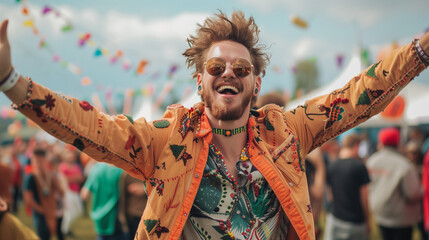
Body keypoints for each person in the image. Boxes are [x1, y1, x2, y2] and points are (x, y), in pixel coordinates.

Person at [1, 10, 429, 240]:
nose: (229, 73)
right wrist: (10, 81)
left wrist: (419, 52)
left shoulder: (287, 131)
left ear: (256, 82)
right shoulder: (165, 141)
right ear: (200, 79)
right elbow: (88, 126)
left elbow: (356, 97)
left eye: (241, 69)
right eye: (216, 66)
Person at [367, 127, 422, 240]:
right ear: (398, 142)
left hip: (380, 214)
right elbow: (413, 194)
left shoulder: (372, 161)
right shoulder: (404, 165)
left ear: (381, 142)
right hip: (401, 219)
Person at [324, 134, 371, 240]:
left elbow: (330, 196)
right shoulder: (359, 166)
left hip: (335, 218)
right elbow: (364, 198)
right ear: (356, 146)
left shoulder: (332, 165)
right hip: (356, 222)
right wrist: (368, 221)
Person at [23, 146, 64, 240]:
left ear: (45, 160)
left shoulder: (51, 175)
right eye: (35, 161)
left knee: (58, 233)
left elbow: (61, 192)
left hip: (53, 210)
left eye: (40, 161)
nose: (38, 163)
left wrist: (57, 182)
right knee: (43, 235)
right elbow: (28, 199)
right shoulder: (31, 177)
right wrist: (42, 210)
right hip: (40, 213)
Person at [80, 162, 126, 240]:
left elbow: (84, 194)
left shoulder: (96, 169)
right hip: (115, 215)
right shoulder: (120, 170)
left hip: (98, 216)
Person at [118, 172, 148, 240]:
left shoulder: (151, 172)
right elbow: (123, 198)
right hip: (133, 216)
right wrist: (122, 217)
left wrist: (145, 189)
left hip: (148, 215)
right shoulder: (126, 175)